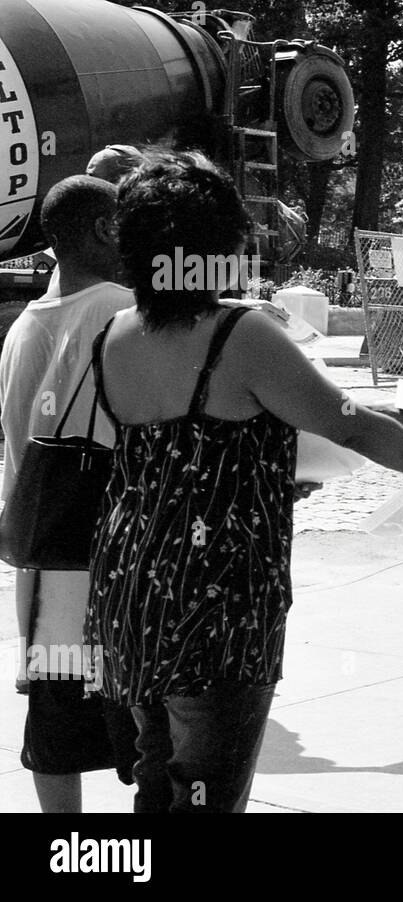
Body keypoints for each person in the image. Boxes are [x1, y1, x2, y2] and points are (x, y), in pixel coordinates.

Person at [82, 150, 403, 813]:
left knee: (160, 780)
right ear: (220, 244)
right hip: (214, 615)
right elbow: (356, 428)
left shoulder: (112, 337)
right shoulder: (241, 334)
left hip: (130, 598)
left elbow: (168, 467)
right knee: (204, 794)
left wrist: (269, 483)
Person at [0, 176, 139, 811]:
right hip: (114, 548)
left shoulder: (21, 328)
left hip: (43, 556)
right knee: (151, 718)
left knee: (55, 722)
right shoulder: (122, 307)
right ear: (107, 230)